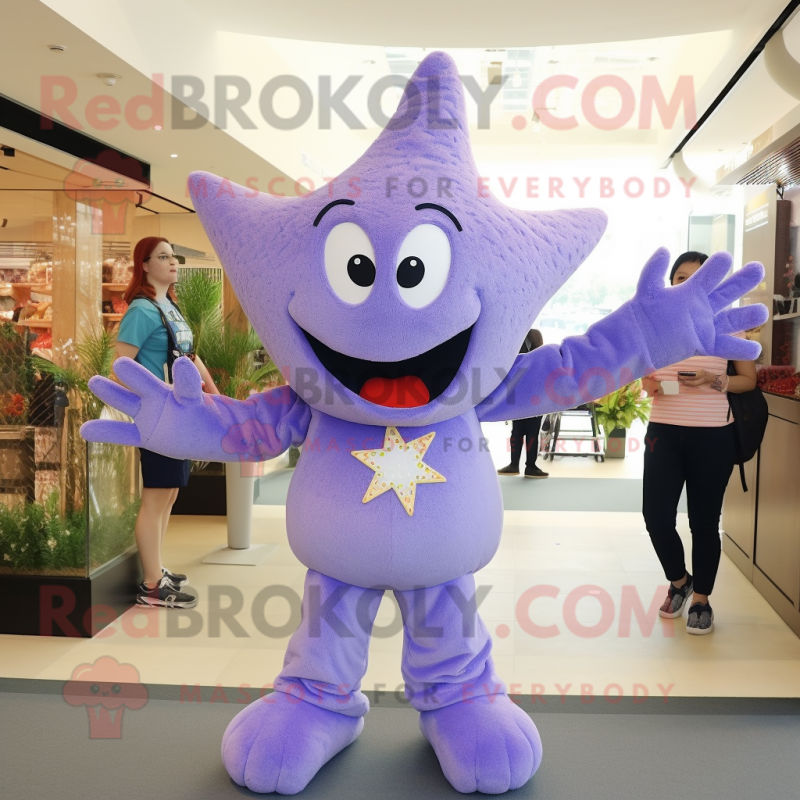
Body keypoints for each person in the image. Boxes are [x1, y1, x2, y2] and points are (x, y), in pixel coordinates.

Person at [641, 251, 757, 635]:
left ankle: (702, 602)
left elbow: (748, 381)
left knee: (704, 524)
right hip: (663, 433)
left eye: (695, 277)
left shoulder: (726, 327)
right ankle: (679, 582)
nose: (685, 283)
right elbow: (651, 384)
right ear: (671, 283)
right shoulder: (655, 325)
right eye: (679, 277)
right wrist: (661, 384)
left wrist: (711, 381)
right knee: (656, 517)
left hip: (713, 436)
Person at [115, 237, 219, 608]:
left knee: (170, 494)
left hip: (181, 415)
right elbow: (120, 365)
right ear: (143, 264)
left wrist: (214, 393)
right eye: (163, 257)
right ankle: (151, 585)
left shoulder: (169, 306)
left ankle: (157, 568)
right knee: (156, 497)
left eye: (174, 256)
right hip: (160, 416)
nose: (172, 262)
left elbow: (191, 355)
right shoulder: (142, 311)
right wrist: (151, 398)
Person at [498, 328, 549, 478]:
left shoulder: (523, 337)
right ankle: (525, 466)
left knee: (522, 431)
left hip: (526, 394)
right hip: (529, 395)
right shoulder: (523, 337)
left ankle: (521, 465)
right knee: (524, 431)